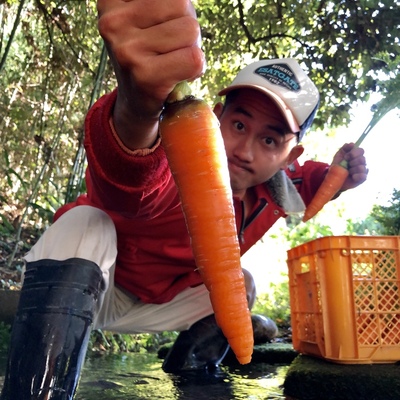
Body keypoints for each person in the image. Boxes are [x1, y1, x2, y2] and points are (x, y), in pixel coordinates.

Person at [0, 1, 368, 399]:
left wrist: (342, 175)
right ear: (215, 116)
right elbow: (129, 171)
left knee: (241, 285)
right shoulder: (176, 157)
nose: (244, 149)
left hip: (162, 306)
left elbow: (311, 181)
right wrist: (138, 109)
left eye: (269, 140)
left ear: (288, 158)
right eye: (239, 124)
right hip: (93, 287)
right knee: (85, 221)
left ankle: (191, 375)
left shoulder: (278, 187)